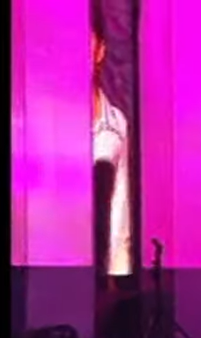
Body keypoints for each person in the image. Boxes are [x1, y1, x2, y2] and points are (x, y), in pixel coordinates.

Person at [91, 0, 131, 278]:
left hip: (97, 274)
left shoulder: (116, 124)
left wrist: (115, 277)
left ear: (100, 49)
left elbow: (120, 208)